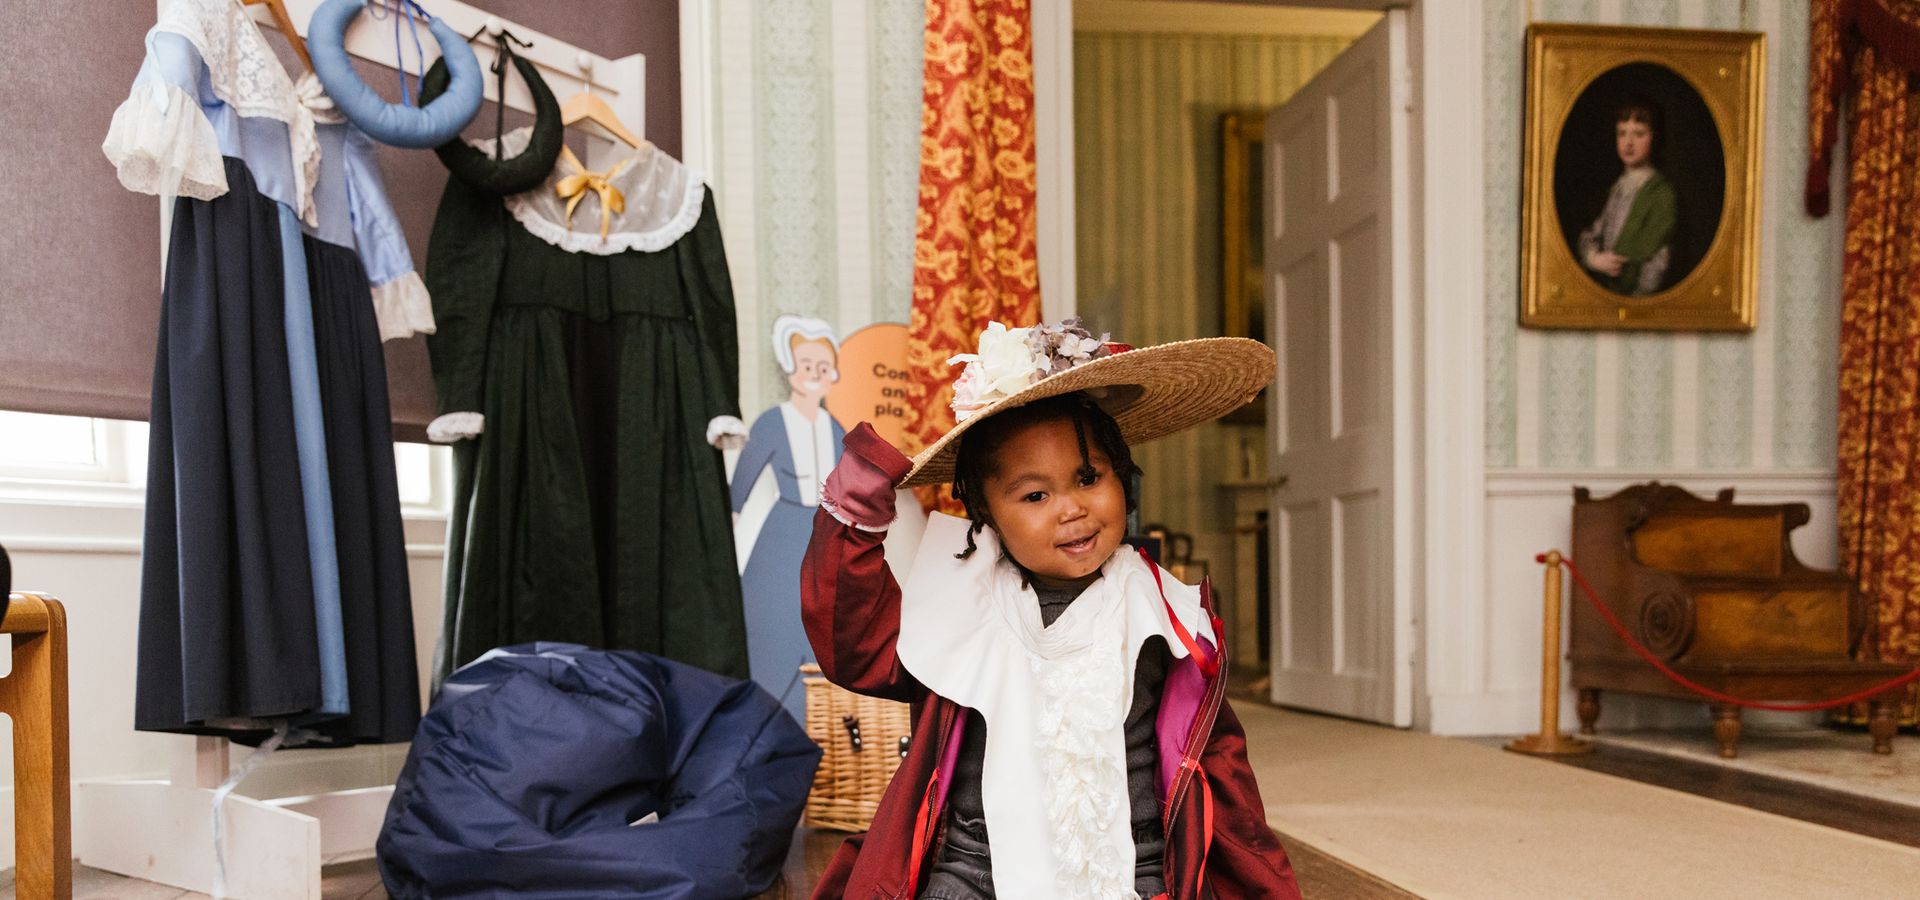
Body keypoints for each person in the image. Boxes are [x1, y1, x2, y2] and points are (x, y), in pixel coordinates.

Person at [802, 319, 1300, 899]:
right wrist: (857, 513)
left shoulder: (1163, 614)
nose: (1071, 509)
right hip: (975, 866)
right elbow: (857, 644)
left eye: (1089, 477)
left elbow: (1223, 772)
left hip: (1128, 864)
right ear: (986, 514)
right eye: (1035, 495)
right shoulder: (964, 602)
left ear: (1124, 477)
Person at [731, 315, 846, 721]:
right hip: (782, 533)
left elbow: (848, 486)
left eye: (822, 366)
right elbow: (742, 483)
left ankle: (812, 720)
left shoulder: (835, 429)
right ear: (791, 369)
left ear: (832, 373)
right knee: (774, 616)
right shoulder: (772, 422)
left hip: (824, 531)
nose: (814, 374)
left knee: (820, 621)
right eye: (806, 365)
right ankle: (764, 715)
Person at [1577, 94, 1677, 296]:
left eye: (1639, 134)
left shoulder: (1661, 194)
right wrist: (1593, 259)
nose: (1628, 142)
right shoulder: (1617, 187)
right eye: (1622, 133)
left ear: (1655, 137)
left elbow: (1658, 260)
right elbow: (1591, 234)